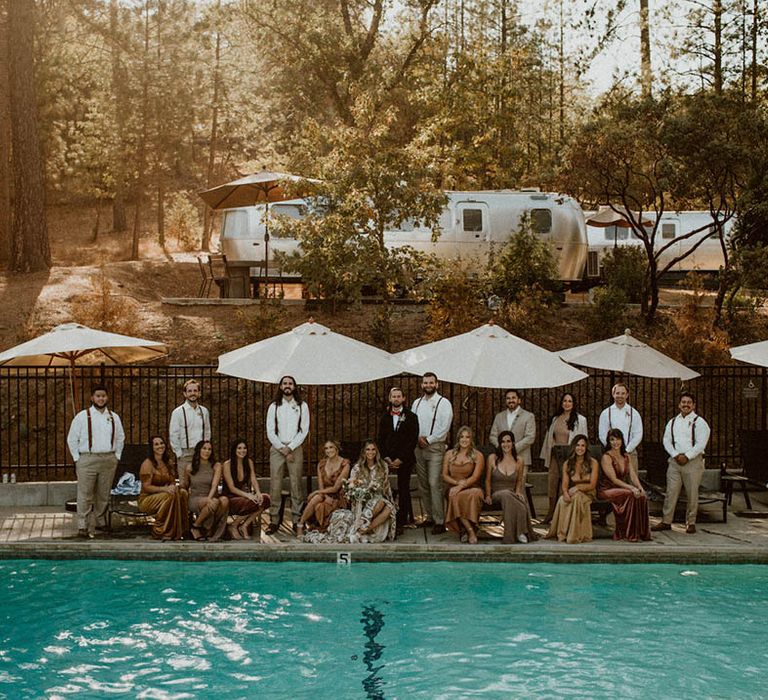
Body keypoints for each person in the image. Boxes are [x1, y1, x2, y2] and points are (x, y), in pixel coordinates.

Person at [305, 441, 396, 544]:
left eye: (373, 449)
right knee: (380, 503)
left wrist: (389, 498)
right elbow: (351, 485)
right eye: (368, 449)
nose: (371, 452)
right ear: (364, 452)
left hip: (378, 496)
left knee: (389, 507)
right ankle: (362, 526)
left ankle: (363, 530)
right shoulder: (357, 468)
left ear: (377, 451)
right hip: (362, 498)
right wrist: (361, 491)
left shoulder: (383, 466)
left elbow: (385, 486)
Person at [67, 383, 126, 539]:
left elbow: (120, 437)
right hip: (87, 459)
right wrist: (77, 459)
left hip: (108, 459)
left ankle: (100, 522)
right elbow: (72, 438)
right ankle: (82, 525)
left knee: (103, 494)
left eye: (103, 396)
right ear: (92, 397)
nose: (101, 398)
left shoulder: (114, 417)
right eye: (98, 396)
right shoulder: (81, 416)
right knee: (85, 494)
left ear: (107, 398)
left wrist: (116, 456)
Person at [652, 392, 711, 534]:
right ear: (679, 404)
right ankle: (666, 521)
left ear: (693, 405)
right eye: (683, 402)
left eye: (689, 402)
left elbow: (701, 444)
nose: (686, 405)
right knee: (671, 492)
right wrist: (675, 454)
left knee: (692, 493)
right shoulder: (672, 422)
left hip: (693, 462)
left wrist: (688, 456)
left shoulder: (700, 422)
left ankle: (691, 522)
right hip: (675, 461)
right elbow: (666, 440)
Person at [265, 376, 310, 535]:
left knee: (296, 484)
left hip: (295, 448)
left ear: (294, 386)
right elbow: (270, 430)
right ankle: (274, 520)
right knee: (275, 485)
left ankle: (297, 520)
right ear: (281, 386)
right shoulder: (274, 406)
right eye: (285, 383)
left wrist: (290, 447)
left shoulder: (302, 406)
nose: (287, 386)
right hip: (277, 448)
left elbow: (304, 430)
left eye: (290, 383)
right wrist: (281, 448)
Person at [412, 372, 453, 535]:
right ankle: (429, 517)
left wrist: (429, 439)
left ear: (436, 384)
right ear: (422, 385)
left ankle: (440, 520)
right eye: (425, 383)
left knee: (434, 483)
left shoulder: (444, 403)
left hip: (435, 447)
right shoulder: (416, 403)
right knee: (423, 484)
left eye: (431, 383)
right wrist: (418, 439)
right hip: (418, 447)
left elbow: (444, 427)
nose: (428, 385)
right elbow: (411, 423)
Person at [539, 393, 589, 523]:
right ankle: (550, 512)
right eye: (565, 401)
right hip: (555, 454)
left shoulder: (580, 420)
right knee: (552, 482)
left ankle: (561, 514)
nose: (567, 403)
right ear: (561, 403)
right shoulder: (555, 419)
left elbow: (583, 439)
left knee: (565, 484)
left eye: (570, 401)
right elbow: (549, 438)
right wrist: (546, 455)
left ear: (574, 404)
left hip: (570, 454)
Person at [377, 386, 419, 536]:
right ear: (390, 398)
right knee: (383, 486)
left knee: (404, 487)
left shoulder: (412, 417)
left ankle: (403, 520)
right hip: (387, 458)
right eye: (393, 396)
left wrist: (401, 458)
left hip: (405, 459)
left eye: (398, 396)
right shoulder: (385, 417)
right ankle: (384, 515)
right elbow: (380, 439)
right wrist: (387, 457)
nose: (396, 399)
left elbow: (412, 440)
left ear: (403, 398)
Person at [598, 428, 651, 542]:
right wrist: (631, 488)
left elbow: (633, 476)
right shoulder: (606, 457)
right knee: (631, 494)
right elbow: (614, 479)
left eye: (618, 439)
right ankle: (628, 534)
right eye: (612, 440)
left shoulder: (626, 456)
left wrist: (641, 489)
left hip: (621, 488)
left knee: (641, 496)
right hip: (607, 489)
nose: (615, 442)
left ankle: (641, 533)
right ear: (609, 442)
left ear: (622, 440)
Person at [545, 435, 599, 544]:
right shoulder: (567, 463)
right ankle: (562, 534)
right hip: (573, 492)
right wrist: (565, 493)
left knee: (577, 498)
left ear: (586, 447)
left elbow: (592, 485)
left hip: (588, 492)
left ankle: (574, 535)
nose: (580, 448)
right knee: (562, 500)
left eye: (583, 445)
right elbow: (565, 484)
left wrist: (578, 487)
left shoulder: (593, 462)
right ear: (574, 447)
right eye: (578, 445)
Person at [485, 430, 536, 544]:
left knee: (518, 501)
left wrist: (518, 492)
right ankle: (515, 534)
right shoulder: (493, 458)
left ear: (513, 443)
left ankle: (520, 533)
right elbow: (487, 480)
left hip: (511, 495)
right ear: (499, 443)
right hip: (496, 494)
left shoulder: (519, 461)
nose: (505, 444)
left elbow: (519, 481)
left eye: (508, 441)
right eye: (502, 442)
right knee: (506, 494)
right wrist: (488, 495)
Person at [138, 435, 189, 541]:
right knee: (170, 496)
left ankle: (181, 530)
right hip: (147, 499)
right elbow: (146, 487)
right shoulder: (147, 464)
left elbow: (172, 483)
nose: (160, 446)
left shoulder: (168, 462)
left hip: (166, 495)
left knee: (182, 493)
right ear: (152, 448)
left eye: (161, 443)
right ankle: (160, 529)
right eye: (156, 444)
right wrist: (164, 489)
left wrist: (174, 487)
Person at [296, 439, 350, 537]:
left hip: (338, 496)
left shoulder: (345, 464)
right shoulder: (321, 464)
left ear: (337, 449)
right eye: (326, 448)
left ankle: (301, 523)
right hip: (324, 494)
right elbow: (321, 486)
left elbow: (336, 488)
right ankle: (300, 524)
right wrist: (323, 495)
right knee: (318, 499)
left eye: (331, 447)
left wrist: (316, 492)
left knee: (317, 499)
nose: (328, 450)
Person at [443, 426, 485, 544]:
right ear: (458, 439)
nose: (464, 439)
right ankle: (470, 530)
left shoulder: (478, 455)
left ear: (471, 439)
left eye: (467, 437)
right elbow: (444, 475)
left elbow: (475, 477)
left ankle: (467, 529)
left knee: (474, 494)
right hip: (453, 486)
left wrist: (460, 487)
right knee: (454, 496)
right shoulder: (449, 454)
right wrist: (456, 484)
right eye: (462, 437)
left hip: (472, 486)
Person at [180, 440, 229, 541]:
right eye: (204, 448)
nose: (207, 451)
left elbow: (214, 485)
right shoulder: (189, 467)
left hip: (210, 496)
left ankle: (201, 527)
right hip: (195, 498)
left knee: (224, 501)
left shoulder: (216, 466)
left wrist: (209, 499)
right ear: (199, 450)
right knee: (214, 503)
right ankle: (201, 527)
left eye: (209, 449)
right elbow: (185, 485)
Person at [222, 439, 269, 540]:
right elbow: (231, 488)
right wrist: (248, 495)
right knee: (253, 502)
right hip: (230, 498)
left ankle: (244, 525)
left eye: (244, 448)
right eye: (239, 448)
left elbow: (253, 479)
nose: (242, 450)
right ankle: (233, 526)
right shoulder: (227, 465)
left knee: (265, 499)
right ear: (234, 450)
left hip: (243, 497)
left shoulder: (248, 462)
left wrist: (258, 492)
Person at [169, 379, 211, 474]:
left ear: (199, 393)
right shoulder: (178, 412)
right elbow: (173, 434)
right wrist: (179, 454)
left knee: (200, 483)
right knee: (184, 484)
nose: (193, 393)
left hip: (201, 453)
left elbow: (207, 431)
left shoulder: (204, 411)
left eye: (195, 391)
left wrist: (206, 449)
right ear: (185, 394)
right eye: (190, 391)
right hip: (185, 453)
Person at [598, 382, 643, 473]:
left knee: (632, 483)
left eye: (623, 393)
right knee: (613, 482)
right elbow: (602, 434)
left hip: (629, 452)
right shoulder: (606, 413)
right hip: (611, 453)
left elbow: (638, 434)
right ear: (613, 394)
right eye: (617, 393)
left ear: (627, 395)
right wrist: (613, 448)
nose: (620, 396)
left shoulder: (634, 413)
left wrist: (627, 450)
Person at [489, 389, 536, 468]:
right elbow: (492, 436)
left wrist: (513, 449)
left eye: (513, 398)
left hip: (521, 459)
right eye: (508, 398)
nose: (511, 400)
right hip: (502, 460)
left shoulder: (528, 416)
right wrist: (502, 448)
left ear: (519, 400)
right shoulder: (499, 416)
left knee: (520, 481)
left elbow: (530, 437)